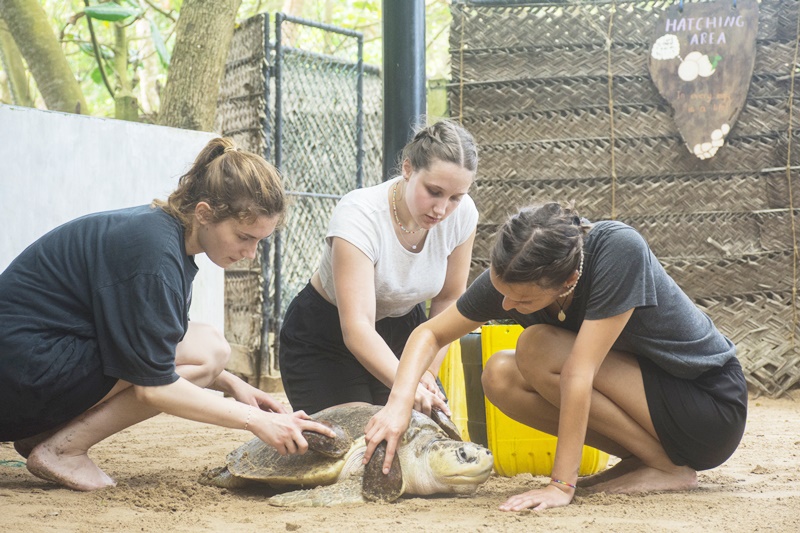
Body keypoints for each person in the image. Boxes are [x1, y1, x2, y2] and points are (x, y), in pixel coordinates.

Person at [363, 202, 748, 512]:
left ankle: (667, 468)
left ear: (567, 282)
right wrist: (398, 404)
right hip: (654, 412)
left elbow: (579, 374)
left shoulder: (617, 250)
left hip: (709, 405)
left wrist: (561, 486)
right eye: (501, 290)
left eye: (524, 300)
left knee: (536, 346)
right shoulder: (516, 274)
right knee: (499, 375)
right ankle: (650, 459)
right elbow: (429, 333)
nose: (508, 304)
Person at [0, 137, 335, 492]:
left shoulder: (161, 235)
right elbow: (152, 387)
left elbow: (151, 339)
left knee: (209, 350)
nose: (250, 253)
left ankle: (46, 433)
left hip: (32, 367)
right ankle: (63, 450)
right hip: (19, 376)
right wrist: (254, 421)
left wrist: (234, 385)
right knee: (209, 349)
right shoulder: (155, 256)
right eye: (243, 236)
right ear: (204, 213)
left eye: (259, 241)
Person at [278, 120, 479, 415]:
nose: (442, 209)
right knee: (359, 441)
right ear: (408, 169)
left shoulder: (462, 215)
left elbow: (449, 299)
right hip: (327, 334)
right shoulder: (359, 215)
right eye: (434, 191)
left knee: (427, 438)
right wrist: (406, 387)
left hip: (406, 333)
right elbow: (358, 327)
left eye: (455, 197)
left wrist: (425, 373)